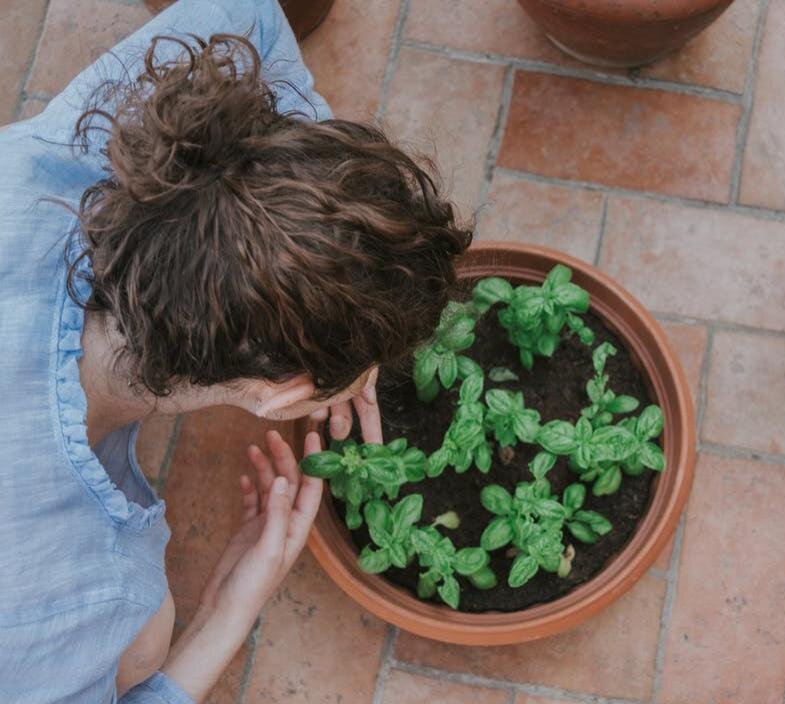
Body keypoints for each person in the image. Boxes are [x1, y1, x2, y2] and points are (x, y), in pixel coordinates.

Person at [0, 0, 472, 700]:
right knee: (143, 640)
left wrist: (313, 273)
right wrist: (227, 612)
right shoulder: (77, 594)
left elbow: (247, 15)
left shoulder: (52, 164)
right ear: (279, 394)